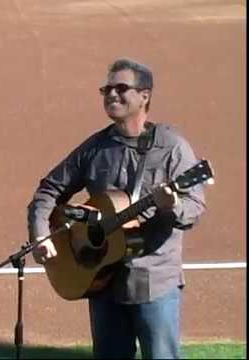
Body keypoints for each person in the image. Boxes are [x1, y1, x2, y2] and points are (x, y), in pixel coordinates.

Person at [27, 58, 206, 359]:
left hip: (154, 283)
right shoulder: (96, 148)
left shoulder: (172, 147)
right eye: (106, 89)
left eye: (121, 88)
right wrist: (41, 233)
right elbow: (48, 190)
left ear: (144, 95)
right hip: (102, 280)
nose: (111, 95)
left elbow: (195, 206)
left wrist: (172, 206)